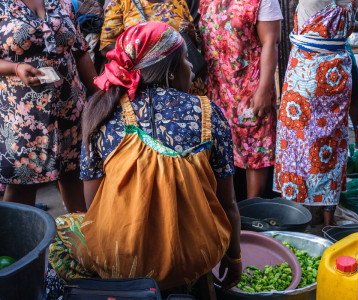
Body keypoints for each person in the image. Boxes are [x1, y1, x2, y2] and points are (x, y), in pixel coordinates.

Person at [46, 22, 241, 297]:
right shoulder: (209, 114)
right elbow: (228, 204)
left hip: (121, 259)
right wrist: (234, 260)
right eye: (185, 59)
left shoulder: (103, 113)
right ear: (169, 71)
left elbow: (93, 206)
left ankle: (116, 290)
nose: (191, 67)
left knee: (58, 231)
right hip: (197, 254)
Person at [0, 0, 98, 212]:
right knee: (23, 183)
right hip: (24, 116)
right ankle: (18, 243)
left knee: (74, 174)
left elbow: (79, 51)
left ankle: (80, 240)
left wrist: (100, 95)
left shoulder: (62, 3)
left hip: (71, 107)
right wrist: (15, 68)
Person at [274, 0, 358, 227]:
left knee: (296, 144)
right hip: (336, 76)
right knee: (330, 147)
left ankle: (293, 217)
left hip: (306, 73)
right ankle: (329, 222)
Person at [199, 0, 283, 198]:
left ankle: (252, 210)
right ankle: (230, 210)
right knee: (222, 148)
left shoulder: (262, 1)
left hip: (250, 87)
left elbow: (270, 42)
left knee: (255, 148)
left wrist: (263, 89)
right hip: (217, 89)